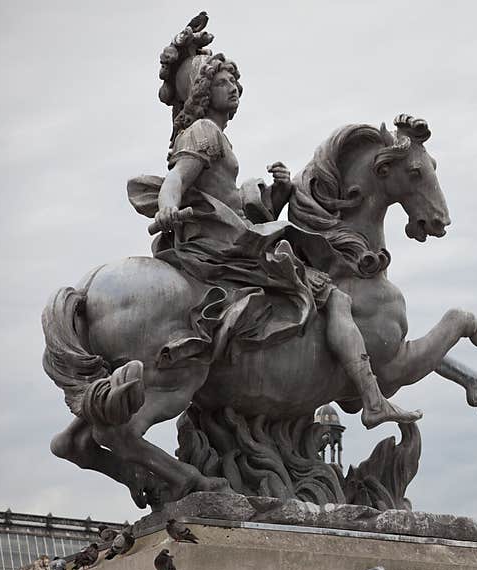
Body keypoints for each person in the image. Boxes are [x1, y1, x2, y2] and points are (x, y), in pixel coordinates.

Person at [128, 26, 420, 430]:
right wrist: (167, 207)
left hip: (233, 235)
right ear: (202, 91)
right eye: (223, 82)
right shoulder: (205, 132)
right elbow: (178, 178)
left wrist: (279, 193)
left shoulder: (215, 137)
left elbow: (234, 203)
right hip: (222, 244)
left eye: (234, 83)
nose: (234, 89)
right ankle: (372, 399)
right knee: (333, 297)